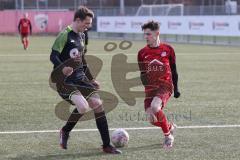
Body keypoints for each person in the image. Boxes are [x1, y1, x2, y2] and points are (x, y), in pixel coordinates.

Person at [50, 6, 121, 154]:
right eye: (86, 23)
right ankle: (65, 131)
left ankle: (107, 145)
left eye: (90, 24)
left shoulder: (82, 36)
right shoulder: (65, 34)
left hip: (80, 78)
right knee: (82, 107)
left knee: (97, 104)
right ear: (77, 20)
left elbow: (82, 60)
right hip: (65, 81)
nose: (88, 27)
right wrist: (62, 67)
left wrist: (91, 79)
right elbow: (53, 55)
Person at [137, 21, 180, 149]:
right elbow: (143, 73)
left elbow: (174, 70)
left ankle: (168, 136)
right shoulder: (142, 53)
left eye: (148, 34)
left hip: (165, 86)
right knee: (151, 119)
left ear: (157, 33)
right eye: (144, 34)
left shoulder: (168, 50)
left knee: (156, 107)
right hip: (150, 89)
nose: (146, 37)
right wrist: (146, 88)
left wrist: (176, 88)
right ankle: (170, 127)